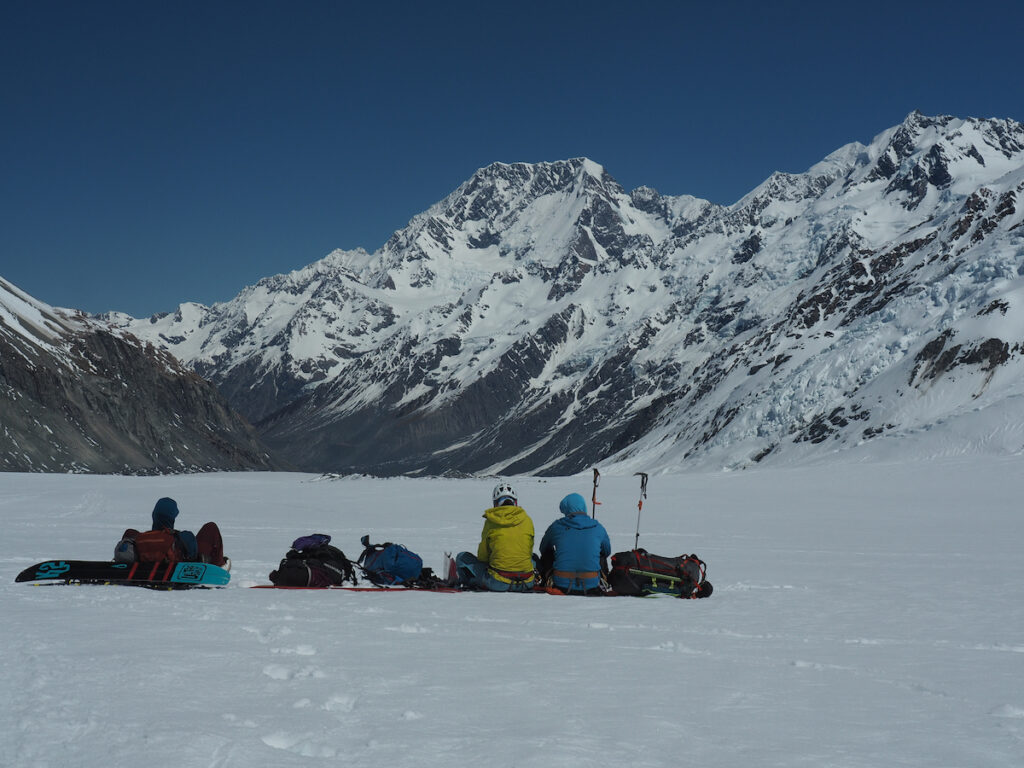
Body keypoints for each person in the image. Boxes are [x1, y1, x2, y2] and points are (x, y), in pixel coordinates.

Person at [455, 482, 536, 592]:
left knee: (462, 557)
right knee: (533, 559)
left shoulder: (491, 522)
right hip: (527, 582)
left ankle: (467, 582)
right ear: (515, 502)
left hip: (498, 582)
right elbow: (529, 550)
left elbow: (483, 556)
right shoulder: (527, 520)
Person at [114, 497, 228, 567]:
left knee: (130, 532)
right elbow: (193, 554)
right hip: (175, 568)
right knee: (210, 527)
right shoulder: (182, 537)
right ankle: (219, 565)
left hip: (143, 564)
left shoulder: (138, 538)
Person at [538, 492, 611, 595]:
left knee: (548, 553)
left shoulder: (557, 526)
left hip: (561, 584)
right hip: (592, 585)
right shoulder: (597, 527)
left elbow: (543, 549)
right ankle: (603, 582)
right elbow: (607, 551)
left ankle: (547, 581)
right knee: (600, 552)